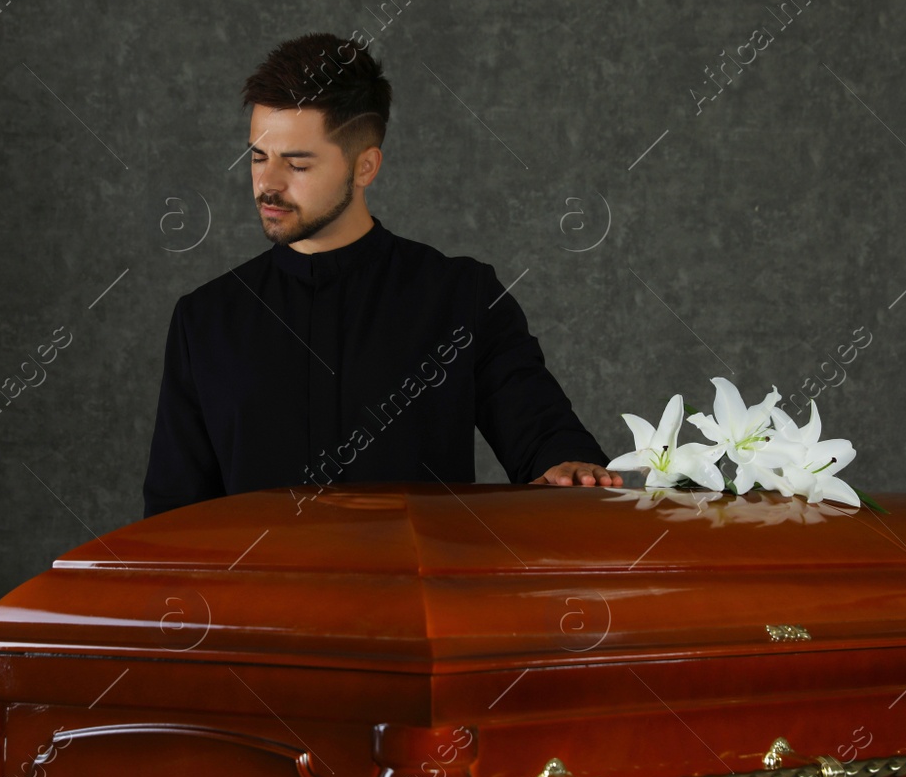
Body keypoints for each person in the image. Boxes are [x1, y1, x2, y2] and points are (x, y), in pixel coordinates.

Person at [141, 32, 617, 518]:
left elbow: (543, 435)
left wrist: (569, 467)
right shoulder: (205, 319)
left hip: (419, 593)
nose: (267, 184)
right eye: (258, 157)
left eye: (297, 163)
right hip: (255, 595)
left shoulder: (461, 298)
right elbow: (172, 517)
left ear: (365, 166)